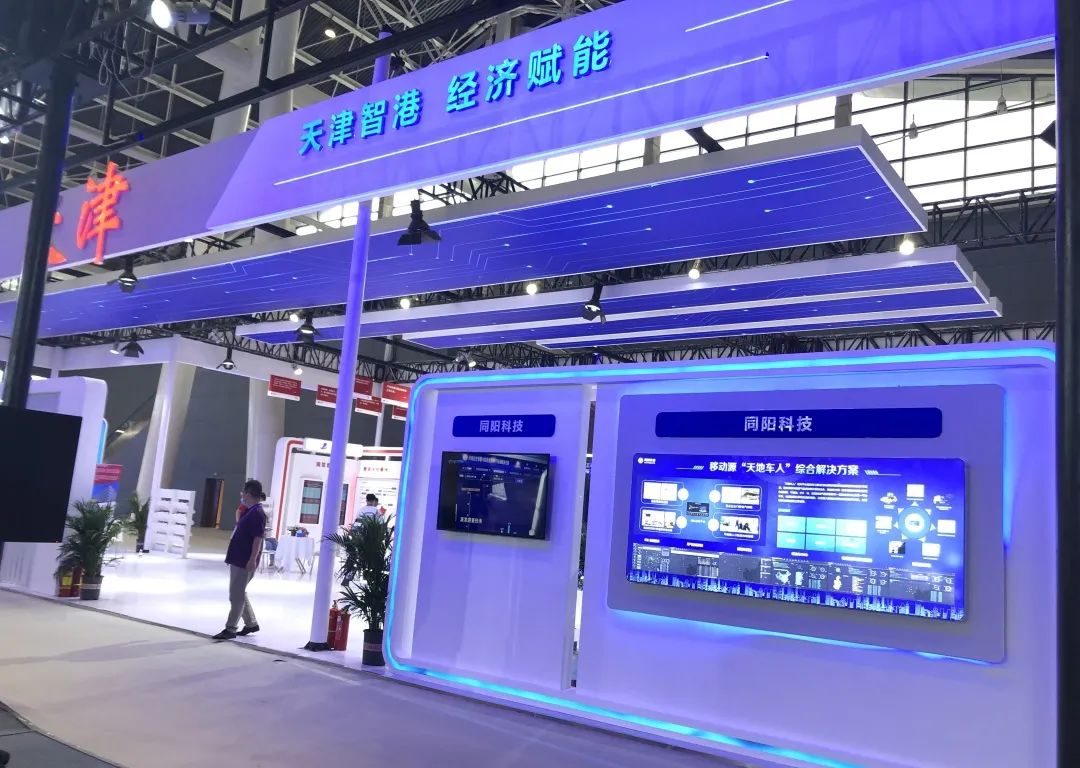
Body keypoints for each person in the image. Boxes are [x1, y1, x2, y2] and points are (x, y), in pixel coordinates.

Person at [213, 479, 267, 641]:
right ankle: (251, 623)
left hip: (244, 560)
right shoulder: (250, 511)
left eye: (243, 492)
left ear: (249, 494)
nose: (241, 495)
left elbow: (258, 539)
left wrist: (252, 559)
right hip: (238, 558)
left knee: (235, 596)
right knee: (239, 592)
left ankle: (231, 628)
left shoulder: (257, 513)